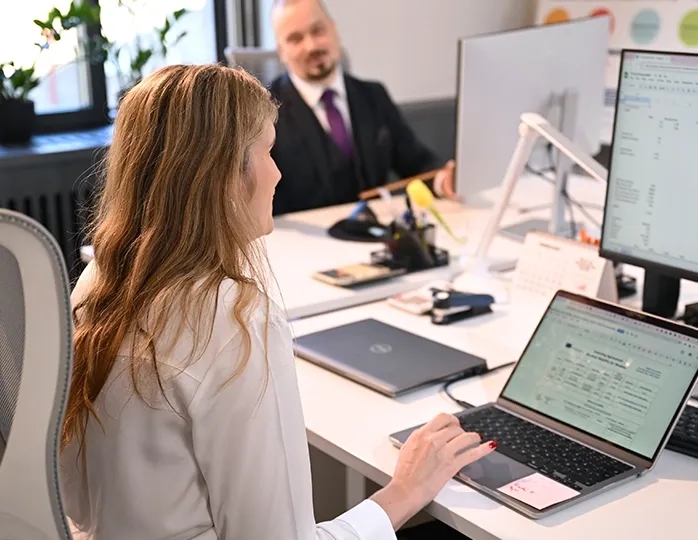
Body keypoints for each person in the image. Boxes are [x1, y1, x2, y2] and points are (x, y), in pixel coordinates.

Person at [59, 63, 496, 540]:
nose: (278, 172)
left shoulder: (100, 281)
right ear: (222, 173)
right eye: (267, 150)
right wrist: (404, 491)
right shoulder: (231, 318)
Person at [268, 0, 458, 215]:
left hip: (375, 236)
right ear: (281, 51)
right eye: (295, 39)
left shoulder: (374, 95)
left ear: (334, 30)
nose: (312, 46)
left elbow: (417, 163)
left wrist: (443, 179)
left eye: (318, 30)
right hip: (303, 243)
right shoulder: (265, 113)